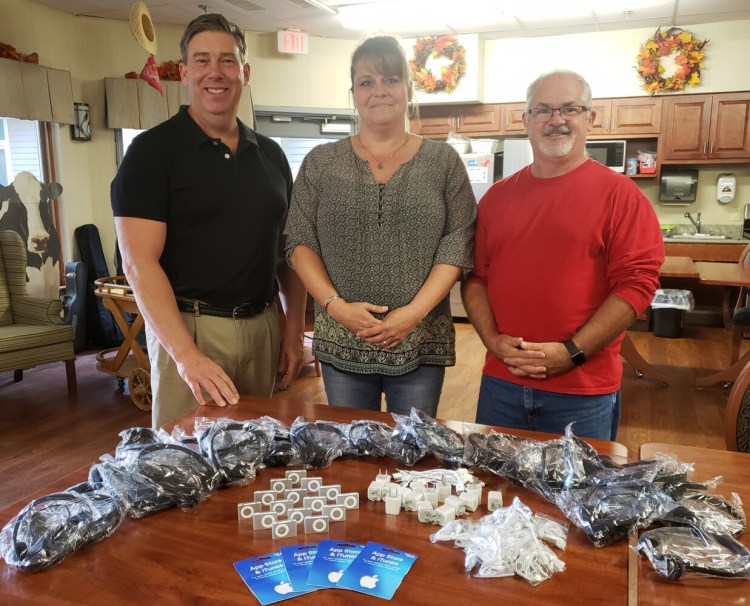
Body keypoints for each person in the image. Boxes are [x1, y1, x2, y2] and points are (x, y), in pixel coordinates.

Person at [111, 13, 306, 429]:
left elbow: (287, 253)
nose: (215, 73)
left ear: (245, 72)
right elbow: (139, 265)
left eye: (227, 61)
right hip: (189, 329)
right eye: (201, 61)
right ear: (184, 71)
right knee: (185, 465)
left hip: (263, 327)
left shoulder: (271, 156)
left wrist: (292, 333)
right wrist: (186, 356)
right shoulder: (150, 153)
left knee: (253, 457)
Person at [461, 69, 664, 441]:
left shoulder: (621, 195)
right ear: (526, 122)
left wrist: (571, 352)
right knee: (493, 492)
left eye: (570, 108)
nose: (557, 120)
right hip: (502, 383)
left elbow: (637, 286)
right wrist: (492, 340)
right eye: (543, 110)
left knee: (578, 496)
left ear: (591, 118)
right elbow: (476, 278)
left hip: (582, 391)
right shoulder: (497, 198)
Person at [284, 35, 476, 417]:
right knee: (353, 450)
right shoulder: (321, 163)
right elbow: (299, 241)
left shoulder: (443, 162)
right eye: (366, 82)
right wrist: (336, 307)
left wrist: (413, 313)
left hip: (420, 340)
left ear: (408, 88)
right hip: (342, 340)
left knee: (415, 453)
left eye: (390, 79)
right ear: (353, 93)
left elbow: (458, 243)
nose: (379, 91)